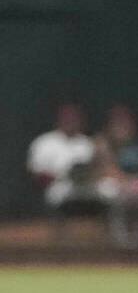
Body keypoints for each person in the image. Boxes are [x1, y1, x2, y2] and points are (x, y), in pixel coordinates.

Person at [27, 103, 128, 245]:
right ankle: (57, 242)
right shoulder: (45, 142)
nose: (71, 123)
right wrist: (59, 175)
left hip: (89, 185)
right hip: (62, 185)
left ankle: (118, 239)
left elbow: (101, 168)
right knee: (53, 196)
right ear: (58, 121)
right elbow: (36, 171)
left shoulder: (87, 143)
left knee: (114, 192)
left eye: (73, 120)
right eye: (67, 120)